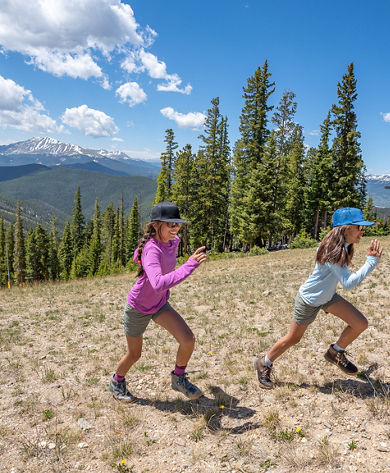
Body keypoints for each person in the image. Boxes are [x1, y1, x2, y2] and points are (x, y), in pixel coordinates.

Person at [254, 207, 383, 389]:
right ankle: (263, 363)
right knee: (293, 338)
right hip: (309, 300)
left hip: (328, 297)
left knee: (360, 323)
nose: (363, 231)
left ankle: (335, 353)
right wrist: (371, 262)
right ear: (345, 228)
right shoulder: (332, 250)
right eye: (359, 227)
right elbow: (348, 283)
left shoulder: (343, 246)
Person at [109, 201, 208, 402]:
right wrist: (189, 265)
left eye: (177, 224)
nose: (175, 228)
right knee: (134, 354)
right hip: (138, 307)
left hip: (159, 304)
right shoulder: (151, 249)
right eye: (170, 224)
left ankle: (178, 379)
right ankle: (117, 381)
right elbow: (157, 283)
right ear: (156, 225)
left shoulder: (174, 241)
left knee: (188, 339)